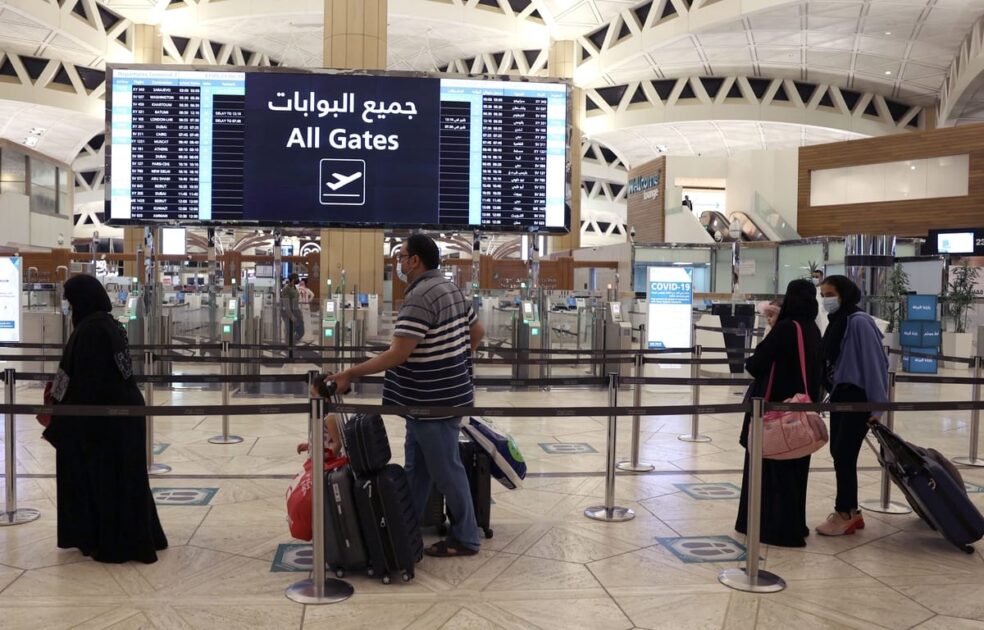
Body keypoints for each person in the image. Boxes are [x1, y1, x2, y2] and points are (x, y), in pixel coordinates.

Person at [321, 234, 485, 557]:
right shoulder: (451, 288)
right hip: (435, 398)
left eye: (402, 256)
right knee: (417, 470)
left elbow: (397, 355)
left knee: (446, 470)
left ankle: (466, 537)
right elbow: (477, 332)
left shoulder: (420, 296)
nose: (398, 262)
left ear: (415, 261)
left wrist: (351, 373)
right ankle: (401, 529)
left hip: (432, 402)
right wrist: (457, 363)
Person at [42, 274, 167, 563]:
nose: (70, 308)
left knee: (109, 479)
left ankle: (115, 543)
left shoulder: (91, 331)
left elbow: (86, 380)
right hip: (121, 415)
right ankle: (136, 536)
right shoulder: (107, 325)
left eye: (72, 302)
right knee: (126, 479)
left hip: (106, 419)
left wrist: (61, 407)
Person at [735, 279, 822, 548]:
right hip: (802, 411)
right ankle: (794, 523)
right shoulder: (813, 330)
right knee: (795, 467)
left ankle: (772, 528)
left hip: (774, 412)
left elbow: (755, 364)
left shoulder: (786, 328)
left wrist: (771, 330)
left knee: (771, 465)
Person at [816, 275, 888, 536]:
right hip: (841, 396)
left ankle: (844, 513)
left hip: (857, 399)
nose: (826, 300)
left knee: (844, 454)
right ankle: (852, 512)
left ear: (844, 294)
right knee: (839, 453)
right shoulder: (838, 322)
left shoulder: (858, 322)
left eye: (830, 294)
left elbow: (875, 365)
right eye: (822, 295)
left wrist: (877, 408)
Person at [281, 273, 304, 343]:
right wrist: (291, 316)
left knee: (301, 331)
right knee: (289, 331)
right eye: (297, 278)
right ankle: (289, 347)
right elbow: (286, 304)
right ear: (293, 279)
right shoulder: (286, 289)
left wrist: (299, 313)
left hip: (296, 311)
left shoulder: (294, 288)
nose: (298, 280)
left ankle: (293, 342)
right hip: (289, 314)